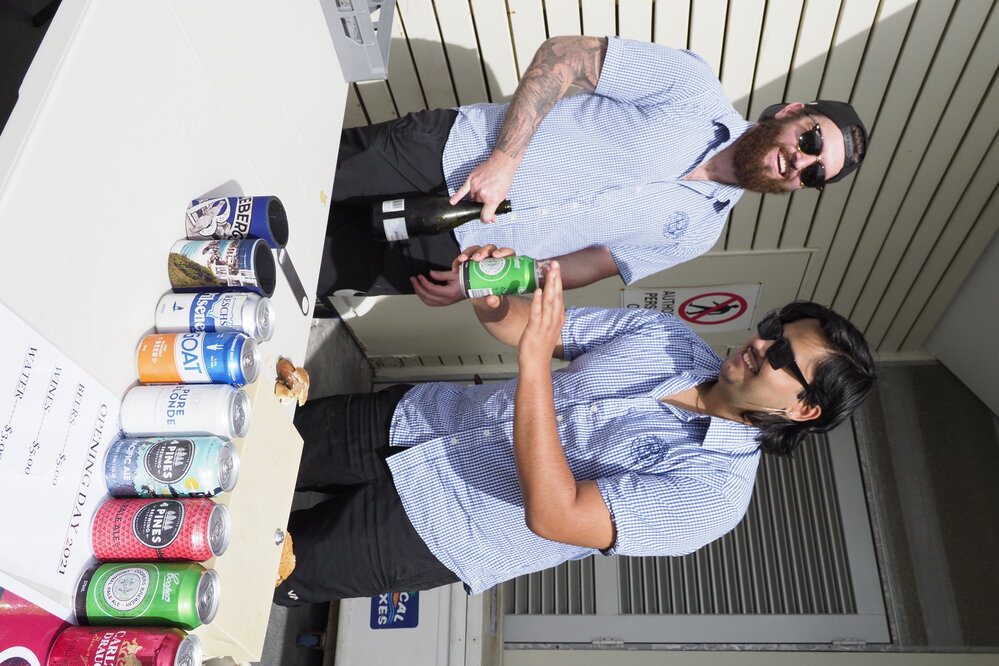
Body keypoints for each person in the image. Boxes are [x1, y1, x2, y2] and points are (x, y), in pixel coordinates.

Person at [276, 255, 876, 605]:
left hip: (435, 527)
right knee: (247, 439)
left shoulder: (715, 497)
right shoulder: (667, 338)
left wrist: (535, 365)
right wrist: (487, 294)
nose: (759, 344)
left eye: (782, 357)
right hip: (416, 419)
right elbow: (533, 330)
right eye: (773, 329)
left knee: (244, 558)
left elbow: (556, 515)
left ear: (804, 409)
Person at [318, 35, 869, 306]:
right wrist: (506, 159)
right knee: (299, 181)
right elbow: (564, 55)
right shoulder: (694, 90)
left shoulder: (701, 232)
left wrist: (484, 281)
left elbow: (589, 263)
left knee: (314, 268)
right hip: (446, 152)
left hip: (453, 250)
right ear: (794, 112)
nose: (804, 160)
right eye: (813, 139)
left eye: (816, 173)